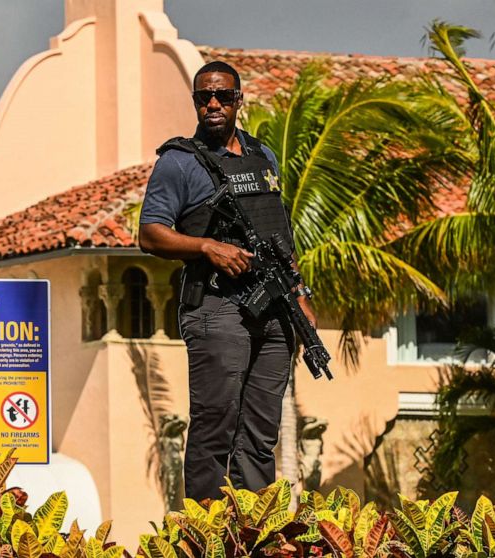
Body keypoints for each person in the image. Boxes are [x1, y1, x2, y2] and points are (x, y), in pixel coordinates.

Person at [138, 61, 316, 501]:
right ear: (196, 103)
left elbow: (280, 236)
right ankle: (206, 534)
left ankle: (253, 532)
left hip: (272, 311)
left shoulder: (263, 156)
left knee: (260, 433)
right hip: (216, 309)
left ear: (239, 99)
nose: (213, 104)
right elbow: (149, 233)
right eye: (203, 98)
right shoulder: (179, 163)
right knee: (216, 424)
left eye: (222, 96)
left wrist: (300, 298)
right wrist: (206, 248)